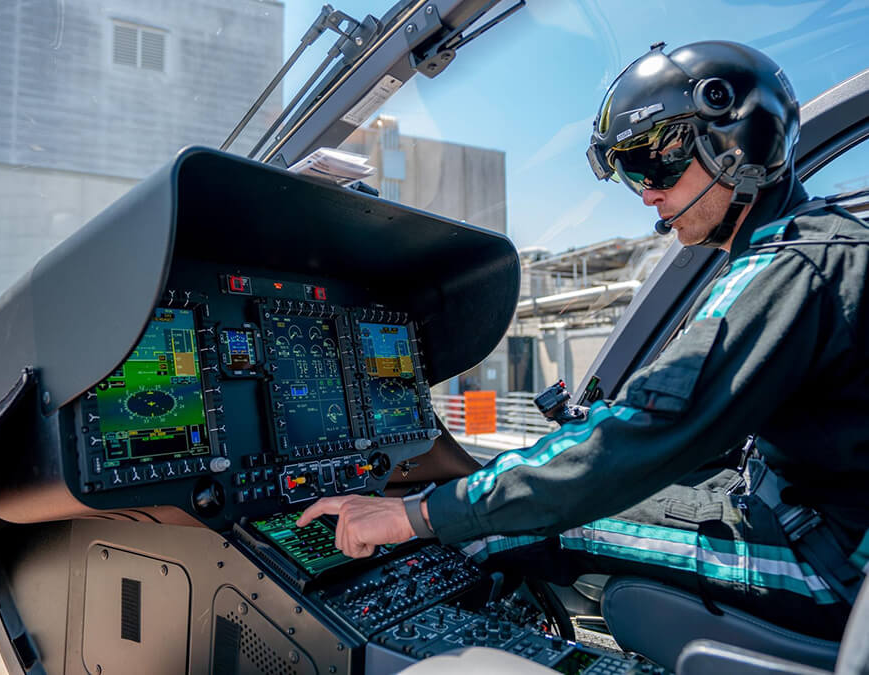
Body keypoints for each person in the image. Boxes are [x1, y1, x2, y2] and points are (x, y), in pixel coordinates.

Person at [297, 41, 869, 639]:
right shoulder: (823, 242)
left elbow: (638, 434)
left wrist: (409, 514)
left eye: (654, 167)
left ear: (736, 143)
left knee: (514, 527)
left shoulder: (786, 269)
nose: (646, 193)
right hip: (815, 523)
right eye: (630, 175)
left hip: (826, 567)